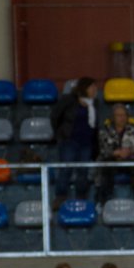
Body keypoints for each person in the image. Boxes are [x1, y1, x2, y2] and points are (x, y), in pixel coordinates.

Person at [50, 76, 97, 205]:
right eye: (92, 87)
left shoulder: (94, 104)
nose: (95, 89)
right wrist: (60, 133)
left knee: (83, 171)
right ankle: (60, 197)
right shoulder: (68, 100)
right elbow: (55, 116)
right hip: (69, 141)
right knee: (66, 169)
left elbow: (95, 125)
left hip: (86, 142)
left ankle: (81, 198)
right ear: (84, 87)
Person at [96, 103, 134, 204]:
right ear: (113, 117)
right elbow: (102, 149)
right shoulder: (104, 131)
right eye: (118, 115)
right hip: (111, 160)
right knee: (105, 169)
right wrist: (115, 153)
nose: (122, 118)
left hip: (130, 160)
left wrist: (129, 152)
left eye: (124, 115)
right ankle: (104, 202)